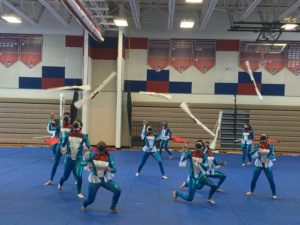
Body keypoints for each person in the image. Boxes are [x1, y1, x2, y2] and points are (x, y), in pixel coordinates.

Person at [81, 141, 121, 213]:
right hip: (94, 180)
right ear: (97, 149)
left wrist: (109, 169)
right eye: (99, 150)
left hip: (105, 179)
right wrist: (87, 163)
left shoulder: (109, 157)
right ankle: (84, 204)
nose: (101, 152)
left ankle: (113, 207)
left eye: (102, 151)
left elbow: (115, 170)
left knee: (118, 190)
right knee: (91, 200)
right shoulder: (93, 155)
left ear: (105, 149)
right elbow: (82, 163)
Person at [173, 140, 218, 204]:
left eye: (200, 146)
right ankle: (176, 193)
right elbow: (182, 162)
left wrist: (200, 163)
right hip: (193, 178)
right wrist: (184, 151)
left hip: (201, 176)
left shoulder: (205, 156)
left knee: (213, 186)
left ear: (202, 147)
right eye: (197, 146)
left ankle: (209, 199)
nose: (198, 148)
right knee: (189, 198)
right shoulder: (191, 153)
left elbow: (206, 168)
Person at [58, 119, 91, 199]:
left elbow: (89, 146)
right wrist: (62, 148)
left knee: (79, 176)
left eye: (78, 124)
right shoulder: (67, 134)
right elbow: (62, 144)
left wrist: (88, 151)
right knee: (65, 177)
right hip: (69, 159)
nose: (76, 126)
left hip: (78, 159)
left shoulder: (84, 136)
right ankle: (61, 182)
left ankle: (79, 192)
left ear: (80, 127)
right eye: (75, 124)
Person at [44, 112, 76, 186]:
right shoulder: (59, 126)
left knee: (72, 164)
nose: (66, 118)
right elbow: (54, 133)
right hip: (60, 145)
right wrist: (51, 119)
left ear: (69, 119)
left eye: (67, 117)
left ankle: (77, 179)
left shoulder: (72, 127)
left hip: (69, 147)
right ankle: (51, 180)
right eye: (65, 117)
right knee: (56, 163)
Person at [246, 133, 277, 199]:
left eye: (264, 138)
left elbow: (273, 155)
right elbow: (251, 154)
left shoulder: (271, 146)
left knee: (271, 180)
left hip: (267, 165)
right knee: (254, 179)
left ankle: (274, 194)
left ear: (267, 139)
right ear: (260, 139)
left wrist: (268, 158)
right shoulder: (257, 145)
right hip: (259, 164)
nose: (263, 140)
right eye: (262, 138)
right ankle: (251, 191)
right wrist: (255, 150)